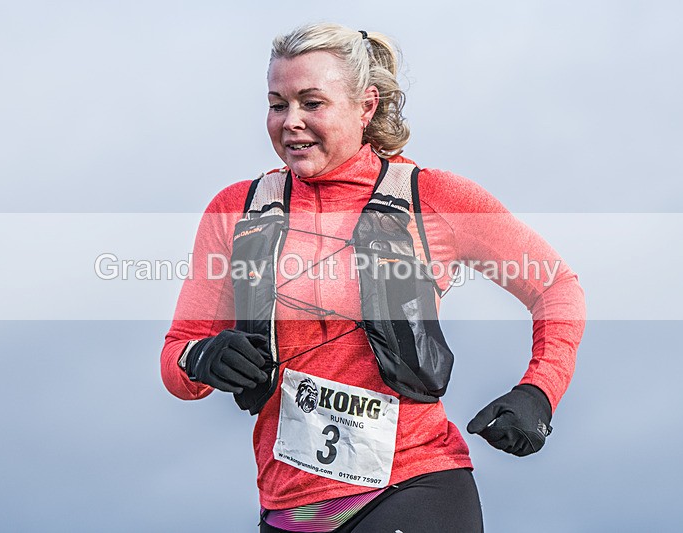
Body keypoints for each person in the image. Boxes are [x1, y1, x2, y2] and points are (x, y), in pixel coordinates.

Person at [161, 22, 585, 532]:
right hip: (294, 510)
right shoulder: (236, 211)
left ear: (366, 106)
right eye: (277, 104)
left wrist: (539, 390)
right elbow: (176, 360)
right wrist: (203, 357)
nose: (290, 122)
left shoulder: (435, 199)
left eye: (311, 103)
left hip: (417, 485)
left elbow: (556, 287)